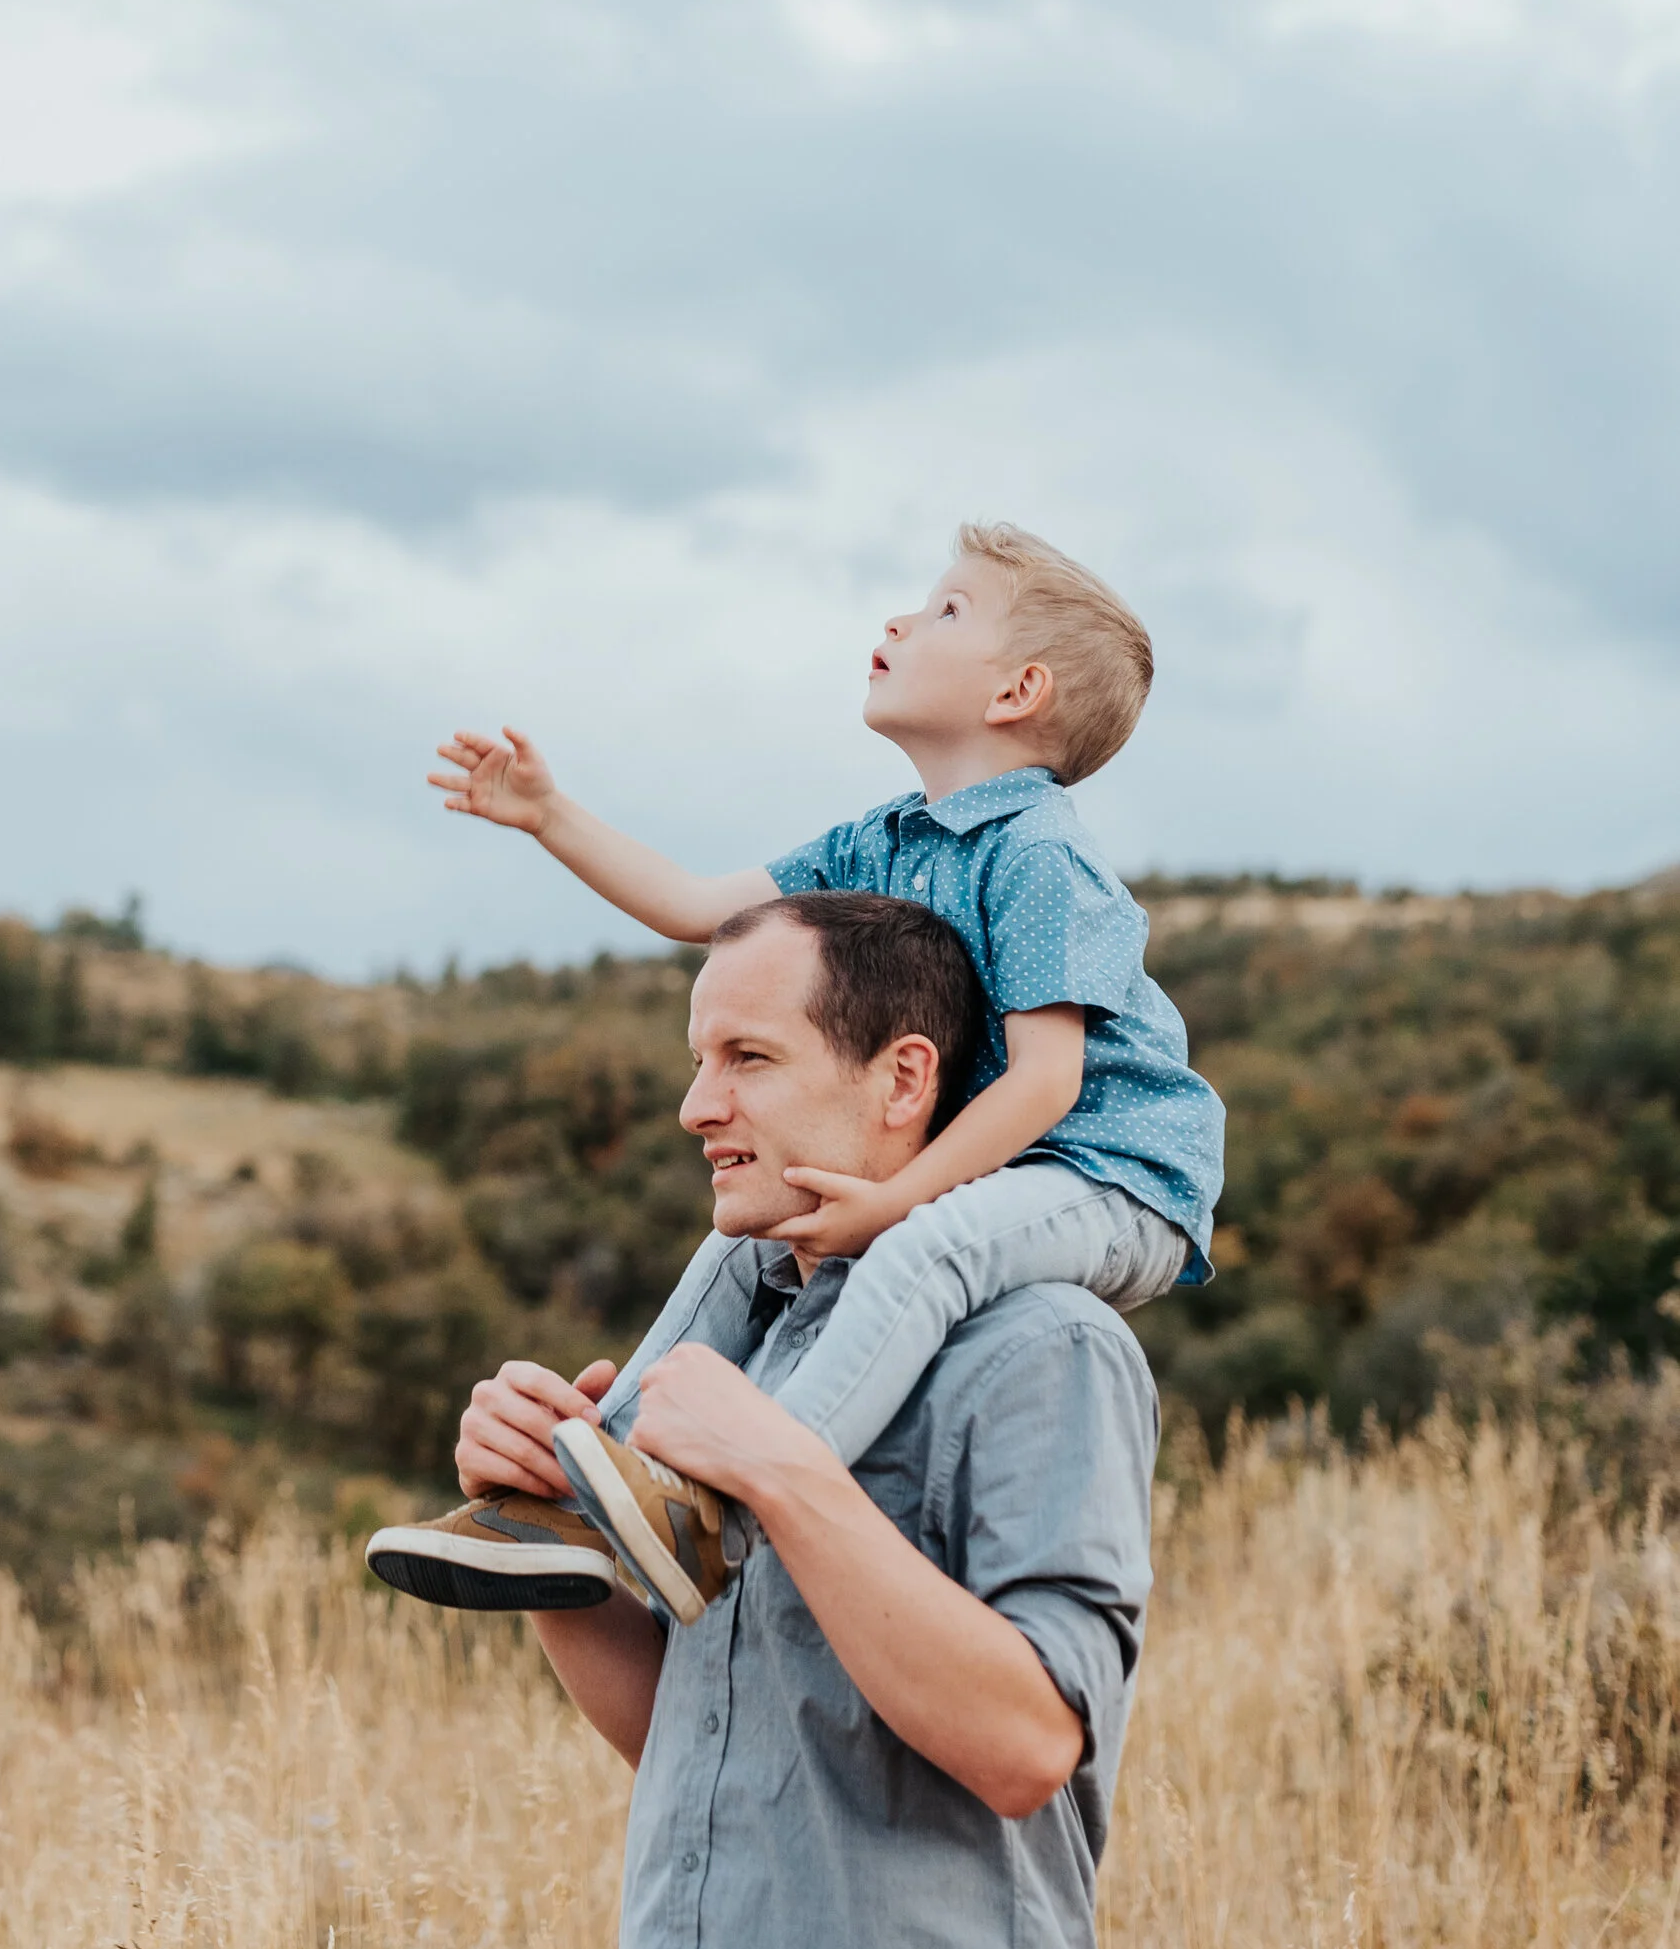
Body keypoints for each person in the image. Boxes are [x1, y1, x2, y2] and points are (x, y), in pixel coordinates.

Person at [458, 887, 1158, 1949]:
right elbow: (691, 1740)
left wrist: (779, 1468)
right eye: (701, 1060)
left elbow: (1026, 1742)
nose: (702, 1105)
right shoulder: (752, 1336)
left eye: (750, 1058)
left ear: (904, 1080)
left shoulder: (1039, 1348)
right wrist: (553, 1538)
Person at [367, 518, 1214, 1618]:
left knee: (927, 1246)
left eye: (946, 610)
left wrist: (899, 1202)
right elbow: (691, 906)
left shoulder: (1038, 851)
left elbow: (1050, 1080)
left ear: (1017, 691)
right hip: (1000, 1166)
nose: (900, 619)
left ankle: (732, 1502)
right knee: (744, 1240)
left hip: (1111, 1174)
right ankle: (583, 1493)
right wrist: (547, 816)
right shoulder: (882, 841)